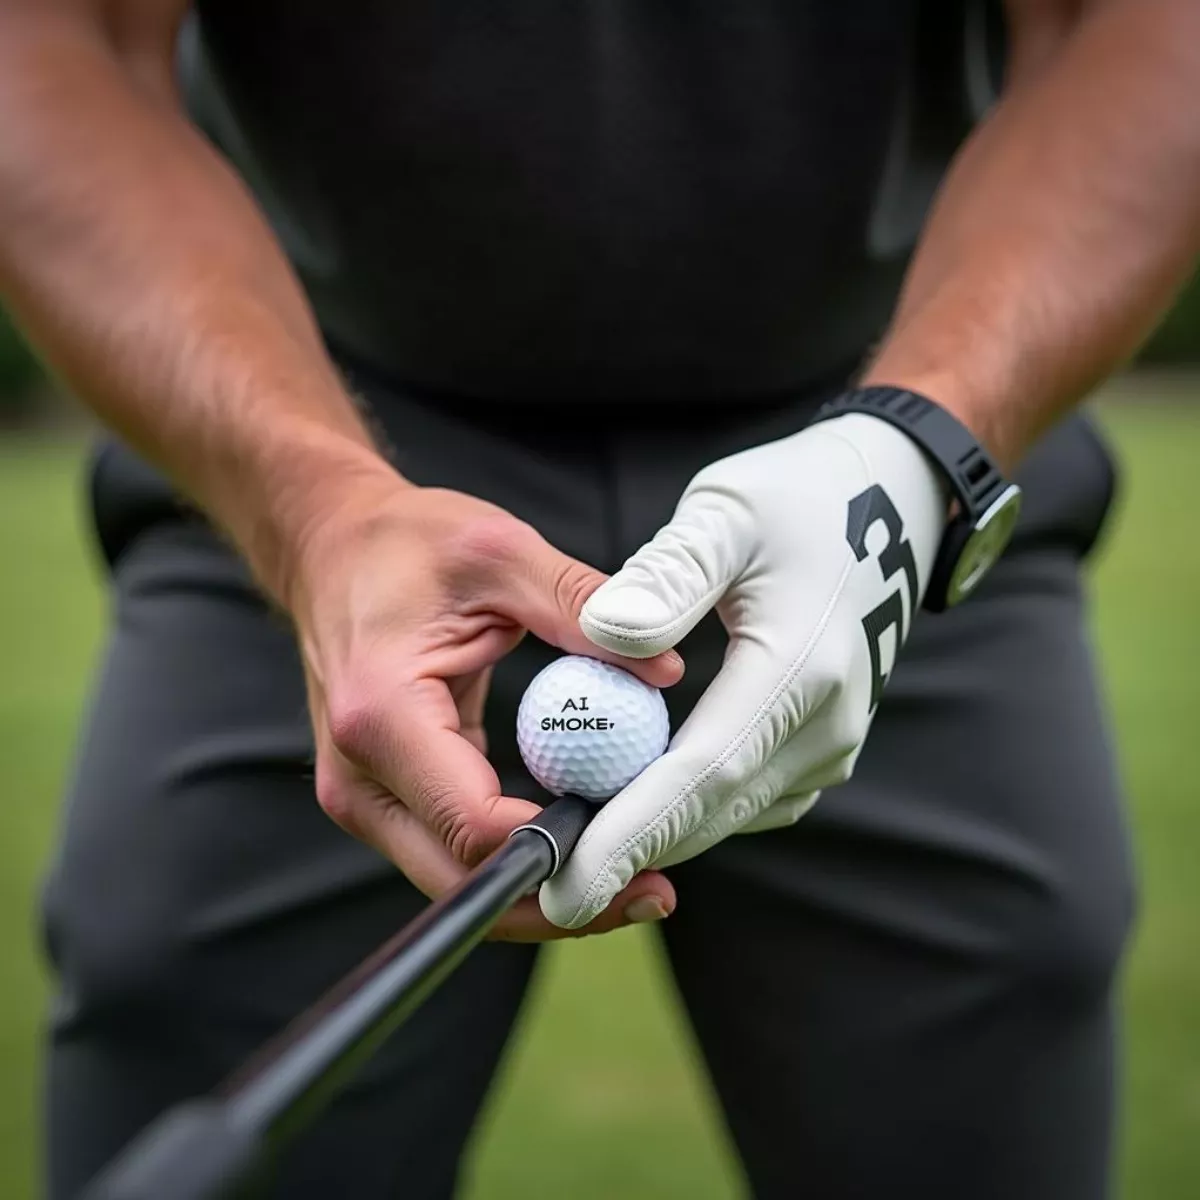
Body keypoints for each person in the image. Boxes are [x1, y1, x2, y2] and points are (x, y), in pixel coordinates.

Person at [1, 1, 1196, 1196]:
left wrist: (914, 447)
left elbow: (1140, 35)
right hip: (323, 417)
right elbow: (57, 48)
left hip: (880, 418)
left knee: (1003, 1007)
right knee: (174, 986)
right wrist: (313, 507)